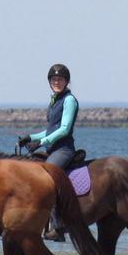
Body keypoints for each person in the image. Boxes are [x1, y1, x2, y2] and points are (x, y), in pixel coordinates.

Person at [19, 63, 79, 241]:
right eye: (54, 79)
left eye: (60, 79)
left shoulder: (69, 100)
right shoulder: (54, 100)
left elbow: (64, 129)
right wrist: (30, 137)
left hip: (64, 149)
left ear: (66, 81)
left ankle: (58, 226)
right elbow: (51, 129)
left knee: (47, 177)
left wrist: (41, 142)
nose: (57, 82)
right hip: (52, 148)